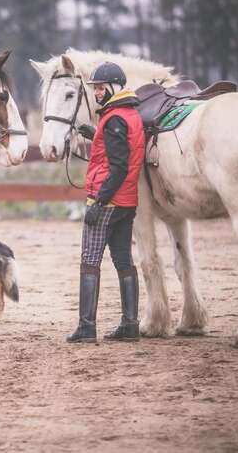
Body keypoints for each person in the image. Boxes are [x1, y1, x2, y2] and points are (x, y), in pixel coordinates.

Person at [66, 62, 146, 343]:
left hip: (108, 200)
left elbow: (119, 166)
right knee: (124, 260)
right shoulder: (127, 114)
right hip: (127, 202)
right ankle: (130, 324)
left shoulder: (113, 120)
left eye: (100, 88)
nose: (97, 93)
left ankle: (86, 327)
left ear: (113, 87)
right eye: (96, 88)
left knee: (89, 261)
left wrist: (98, 203)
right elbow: (120, 150)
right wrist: (94, 133)